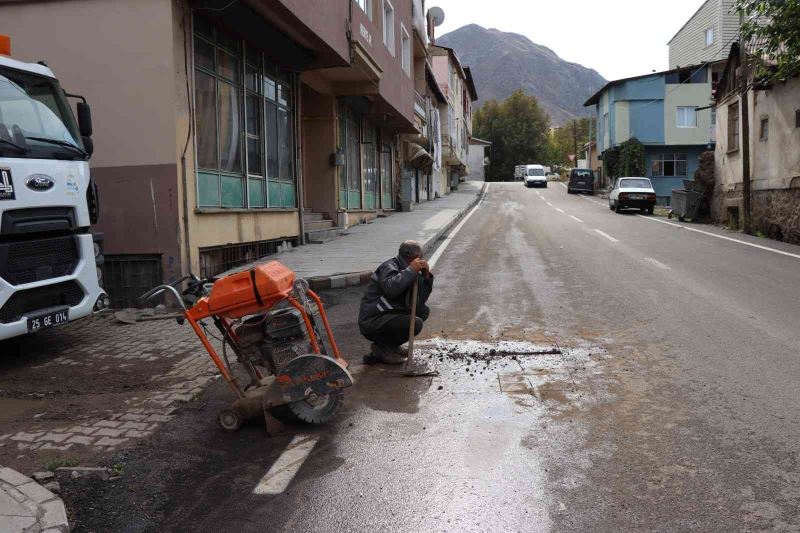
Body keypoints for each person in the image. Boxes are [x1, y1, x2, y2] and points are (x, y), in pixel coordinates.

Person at [359, 240, 434, 365]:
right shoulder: (389, 267)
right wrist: (410, 270)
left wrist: (426, 277)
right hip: (374, 320)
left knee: (422, 311)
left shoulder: (409, 269)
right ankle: (382, 347)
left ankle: (392, 346)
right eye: (419, 258)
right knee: (415, 322)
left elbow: (420, 300)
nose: (420, 261)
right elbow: (391, 289)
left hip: (390, 314)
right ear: (412, 257)